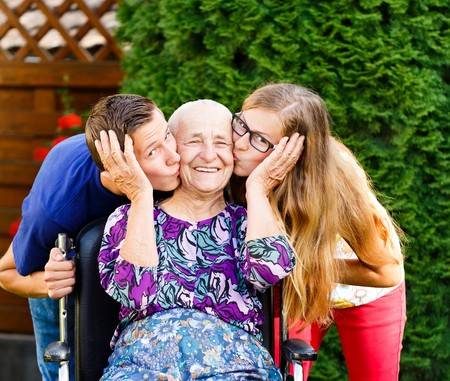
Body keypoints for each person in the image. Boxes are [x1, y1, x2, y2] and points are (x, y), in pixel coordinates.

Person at [95, 99, 303, 380]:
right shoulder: (128, 218)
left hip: (234, 368)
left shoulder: (247, 221)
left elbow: (269, 272)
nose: (208, 155)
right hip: (143, 368)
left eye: (221, 143)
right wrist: (141, 195)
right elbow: (136, 293)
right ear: (173, 148)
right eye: (194, 141)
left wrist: (258, 190)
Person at [230, 83, 406, 381]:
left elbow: (385, 272)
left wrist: (307, 265)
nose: (240, 143)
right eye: (241, 125)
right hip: (300, 287)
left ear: (295, 152)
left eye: (260, 139)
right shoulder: (233, 161)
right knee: (283, 371)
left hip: (362, 289)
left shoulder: (336, 179)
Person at [0, 94, 181, 381]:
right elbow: (6, 273)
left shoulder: (171, 166)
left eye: (168, 136)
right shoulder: (58, 207)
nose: (175, 156)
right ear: (117, 165)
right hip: (61, 280)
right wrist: (48, 282)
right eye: (153, 152)